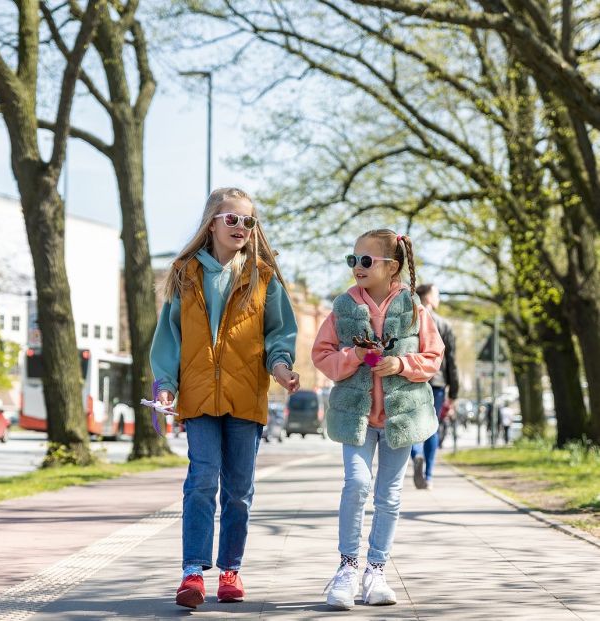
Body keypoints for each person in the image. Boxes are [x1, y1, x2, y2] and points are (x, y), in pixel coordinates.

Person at [150, 187, 300, 609]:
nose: (240, 227)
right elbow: (169, 339)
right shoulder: (184, 274)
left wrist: (283, 369)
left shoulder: (263, 278)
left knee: (239, 489)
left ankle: (231, 569)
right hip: (198, 397)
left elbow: (279, 336)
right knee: (201, 481)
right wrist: (166, 384)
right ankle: (193, 572)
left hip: (245, 397)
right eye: (231, 219)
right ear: (212, 222)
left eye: (247, 221)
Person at [312, 229, 444, 609]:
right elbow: (321, 356)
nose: (357, 267)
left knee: (389, 495)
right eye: (352, 260)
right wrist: (353, 356)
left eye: (366, 260)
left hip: (400, 421)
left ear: (393, 267)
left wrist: (401, 363)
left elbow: (433, 358)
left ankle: (376, 570)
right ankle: (347, 568)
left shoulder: (415, 310)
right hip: (356, 419)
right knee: (356, 484)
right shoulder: (343, 308)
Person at [410, 284, 459, 490]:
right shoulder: (444, 325)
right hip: (436, 382)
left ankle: (416, 454)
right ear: (429, 298)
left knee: (410, 424)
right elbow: (451, 360)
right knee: (432, 427)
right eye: (437, 295)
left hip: (411, 377)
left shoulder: (409, 319)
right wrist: (454, 392)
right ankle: (428, 475)